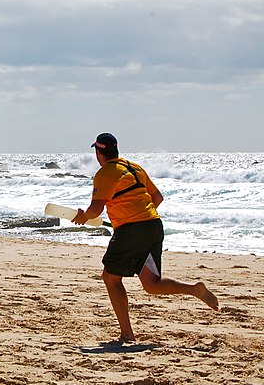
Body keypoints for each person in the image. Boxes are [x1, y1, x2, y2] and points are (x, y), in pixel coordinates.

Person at [74, 132, 219, 342]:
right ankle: (194, 289)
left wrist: (83, 217)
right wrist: (139, 217)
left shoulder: (105, 173)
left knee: (111, 278)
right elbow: (157, 197)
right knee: (152, 284)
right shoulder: (135, 168)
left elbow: (95, 209)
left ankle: (127, 334)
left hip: (132, 230)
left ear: (98, 153)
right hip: (153, 225)